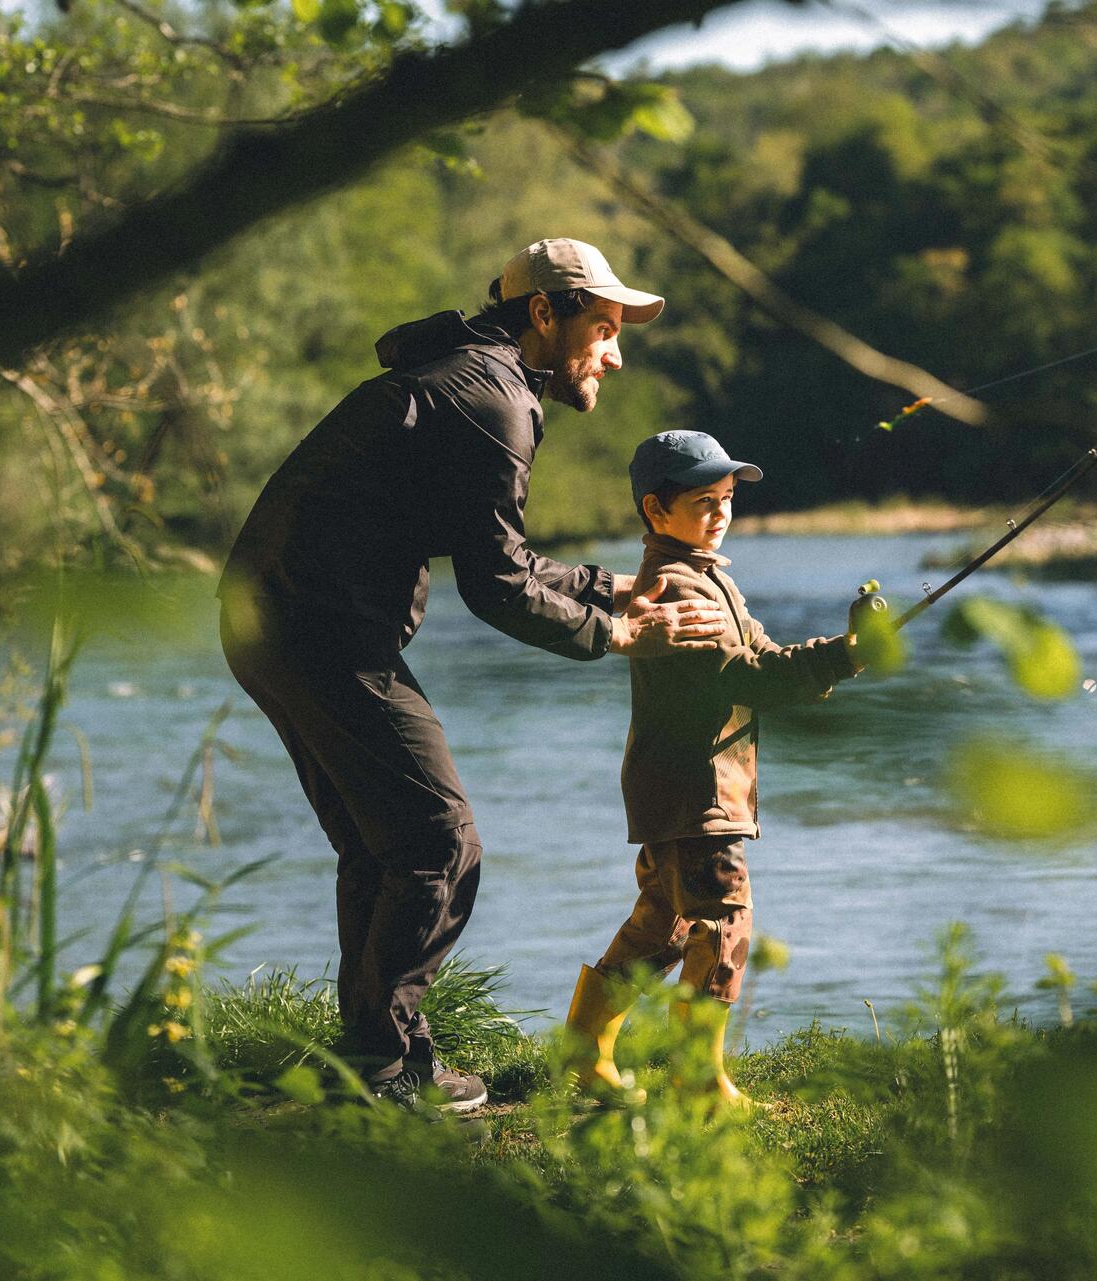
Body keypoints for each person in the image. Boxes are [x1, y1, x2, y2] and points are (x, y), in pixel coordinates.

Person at [218, 239, 726, 1111]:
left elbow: (504, 555)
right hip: (316, 625)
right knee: (438, 841)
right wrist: (616, 635)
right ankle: (383, 1071)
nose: (615, 351)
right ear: (544, 314)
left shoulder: (472, 378)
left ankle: (372, 1060)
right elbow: (497, 589)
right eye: (602, 327)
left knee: (385, 847)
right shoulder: (493, 401)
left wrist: (613, 590)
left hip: (271, 616)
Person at [562, 430, 866, 1106]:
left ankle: (584, 1054)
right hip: (695, 791)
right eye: (704, 501)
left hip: (685, 790)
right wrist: (842, 658)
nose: (722, 512)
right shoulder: (675, 585)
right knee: (725, 922)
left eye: (727, 499)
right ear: (655, 509)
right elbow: (748, 676)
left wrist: (843, 649)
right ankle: (696, 1079)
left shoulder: (708, 575)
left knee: (662, 925)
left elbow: (764, 653)